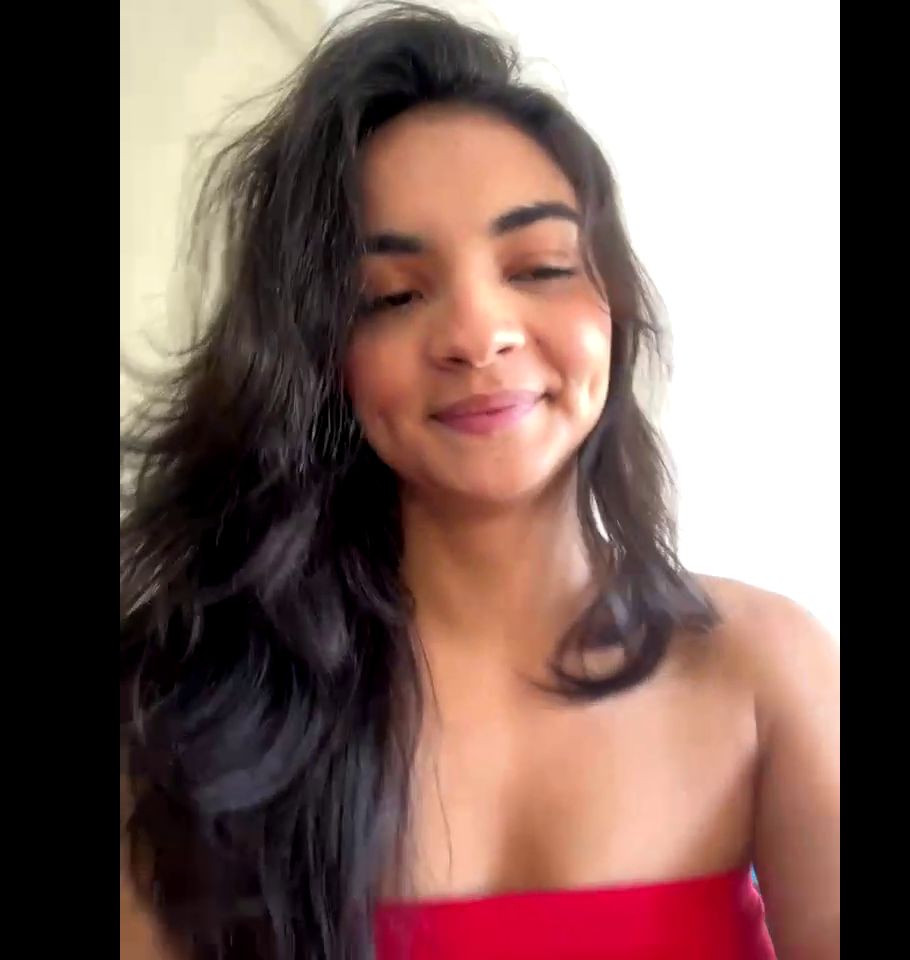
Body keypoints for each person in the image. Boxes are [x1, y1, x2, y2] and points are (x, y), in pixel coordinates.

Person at [119, 3, 839, 959]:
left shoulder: (764, 667)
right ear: (320, 359)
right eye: (392, 295)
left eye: (538, 267)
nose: (476, 334)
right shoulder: (187, 705)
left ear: (615, 306)